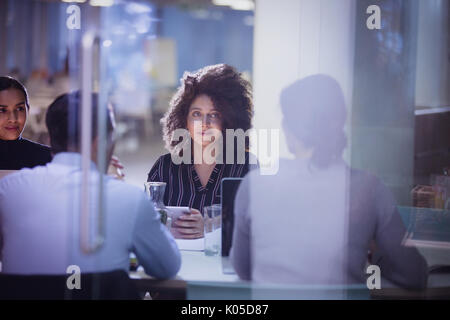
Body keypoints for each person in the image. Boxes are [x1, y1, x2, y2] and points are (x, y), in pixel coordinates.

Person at [230, 74, 428, 290]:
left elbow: (243, 269)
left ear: (288, 130)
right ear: (340, 123)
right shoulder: (369, 189)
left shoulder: (254, 184)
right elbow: (413, 274)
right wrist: (369, 258)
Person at [0, 91, 181, 278]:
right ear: (100, 142)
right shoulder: (130, 199)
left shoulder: (9, 190)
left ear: (50, 140)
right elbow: (167, 267)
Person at [147, 64, 256, 239]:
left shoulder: (245, 167)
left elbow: (257, 229)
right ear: (184, 119)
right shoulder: (164, 167)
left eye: (214, 114)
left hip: (223, 264)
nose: (204, 123)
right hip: (177, 263)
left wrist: (211, 227)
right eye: (196, 114)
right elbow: (146, 225)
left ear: (229, 121)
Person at [0, 76, 52, 169]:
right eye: (2, 110)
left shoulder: (46, 158)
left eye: (20, 109)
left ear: (28, 110)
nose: (13, 119)